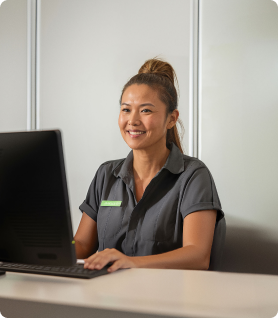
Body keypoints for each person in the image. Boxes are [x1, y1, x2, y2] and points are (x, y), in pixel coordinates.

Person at [74, 58, 225, 273]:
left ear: (171, 119)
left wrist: (131, 262)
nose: (133, 120)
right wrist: (52, 246)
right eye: (126, 110)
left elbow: (198, 256)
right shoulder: (106, 174)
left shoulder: (193, 175)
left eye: (145, 111)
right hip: (107, 297)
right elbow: (80, 245)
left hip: (167, 299)